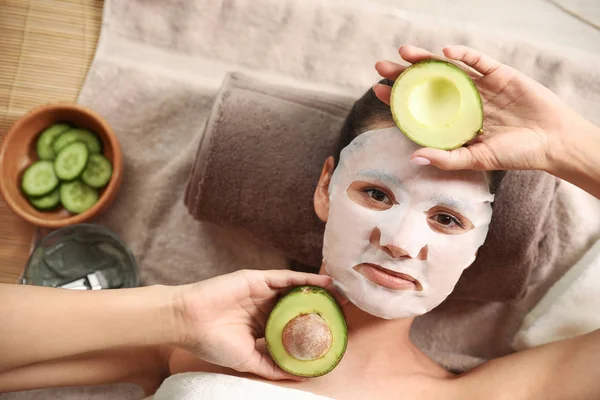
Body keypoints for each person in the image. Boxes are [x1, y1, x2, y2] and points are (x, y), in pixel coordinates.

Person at [1, 45, 599, 399]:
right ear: (325, 188)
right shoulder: (199, 343)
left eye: (446, 218)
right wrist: (175, 313)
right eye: (376, 194)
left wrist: (566, 146)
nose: (400, 241)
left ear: (478, 244)